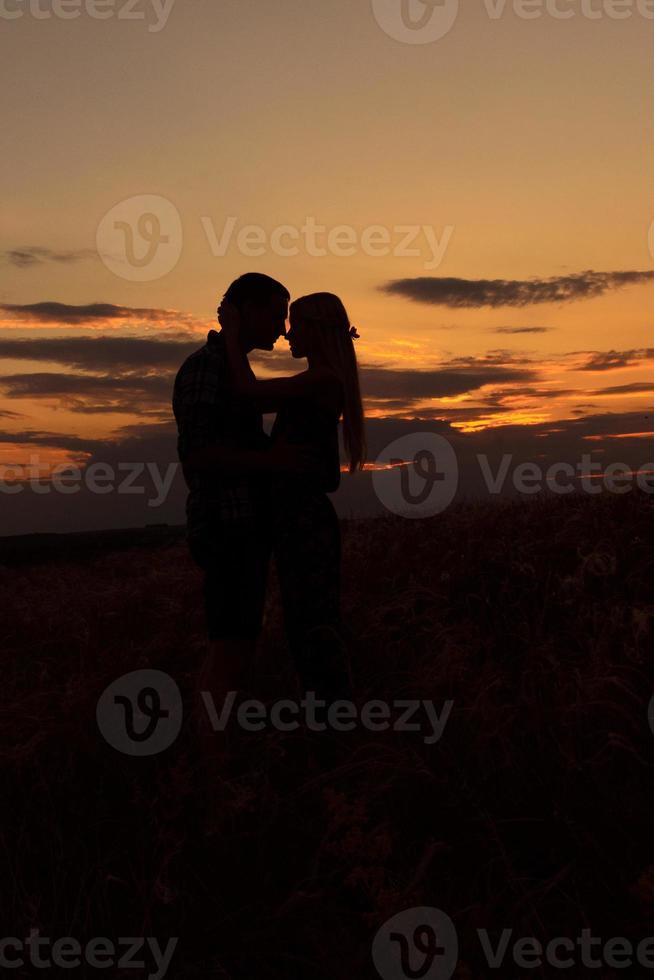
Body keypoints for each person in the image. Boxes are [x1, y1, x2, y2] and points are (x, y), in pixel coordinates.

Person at [218, 292, 366, 702]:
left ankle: (331, 721)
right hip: (299, 519)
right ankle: (331, 719)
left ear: (316, 332)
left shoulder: (321, 379)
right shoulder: (321, 379)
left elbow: (250, 392)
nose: (286, 334)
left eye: (295, 325)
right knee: (309, 624)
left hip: (304, 521)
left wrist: (231, 335)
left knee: (312, 627)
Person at [172, 272, 309, 701]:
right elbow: (198, 453)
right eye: (275, 314)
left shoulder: (232, 365)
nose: (282, 328)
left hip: (241, 524)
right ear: (245, 311)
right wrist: (272, 461)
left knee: (239, 643)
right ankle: (211, 761)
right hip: (224, 524)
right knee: (229, 647)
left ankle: (220, 753)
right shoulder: (207, 366)